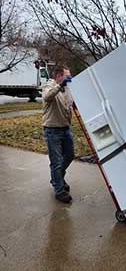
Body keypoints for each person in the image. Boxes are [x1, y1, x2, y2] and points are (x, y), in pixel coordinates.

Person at [42, 65, 74, 203]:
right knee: (56, 162)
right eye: (67, 75)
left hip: (65, 128)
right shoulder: (49, 85)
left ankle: (57, 178)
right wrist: (60, 85)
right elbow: (48, 97)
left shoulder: (67, 89)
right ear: (59, 76)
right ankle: (59, 191)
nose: (69, 77)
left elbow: (70, 104)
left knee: (70, 155)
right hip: (52, 130)